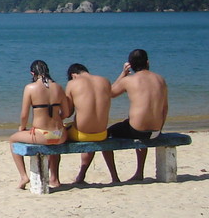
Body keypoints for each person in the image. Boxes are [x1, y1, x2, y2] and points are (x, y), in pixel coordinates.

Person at [106, 48, 169, 182]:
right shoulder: (160, 79)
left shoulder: (129, 80)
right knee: (135, 125)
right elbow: (165, 108)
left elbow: (110, 93)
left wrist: (123, 73)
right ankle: (139, 172)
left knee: (105, 135)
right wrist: (160, 129)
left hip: (137, 130)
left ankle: (115, 178)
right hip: (156, 131)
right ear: (147, 62)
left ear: (130, 65)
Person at [8, 59, 69, 190]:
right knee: (54, 147)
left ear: (32, 73)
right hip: (60, 134)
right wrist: (56, 118)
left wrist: (22, 128)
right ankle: (55, 178)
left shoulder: (30, 88)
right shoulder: (58, 87)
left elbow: (24, 115)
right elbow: (67, 112)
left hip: (42, 135)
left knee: (13, 139)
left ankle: (23, 176)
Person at [63, 63, 113, 185]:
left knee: (61, 131)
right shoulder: (105, 81)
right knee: (95, 134)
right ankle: (114, 177)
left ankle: (54, 177)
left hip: (81, 134)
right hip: (102, 133)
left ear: (73, 75)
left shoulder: (72, 84)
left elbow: (68, 113)